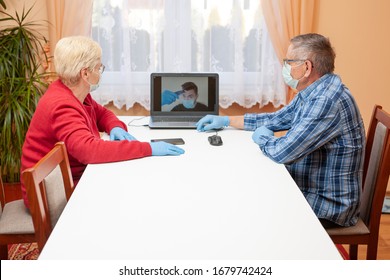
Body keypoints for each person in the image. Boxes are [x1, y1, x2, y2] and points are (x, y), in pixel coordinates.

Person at [196, 33, 365, 228]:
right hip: (311, 187)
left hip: (328, 206)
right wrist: (226, 120)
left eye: (289, 62)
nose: (285, 67)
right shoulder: (315, 90)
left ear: (307, 67)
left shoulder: (326, 101)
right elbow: (275, 119)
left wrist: (264, 139)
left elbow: (282, 152)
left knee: (247, 203)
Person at [21, 36, 184, 208]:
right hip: (49, 195)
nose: (100, 72)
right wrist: (148, 148)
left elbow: (102, 114)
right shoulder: (61, 105)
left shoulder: (74, 92)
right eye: (99, 68)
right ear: (85, 73)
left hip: (70, 177)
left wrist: (114, 127)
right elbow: (89, 150)